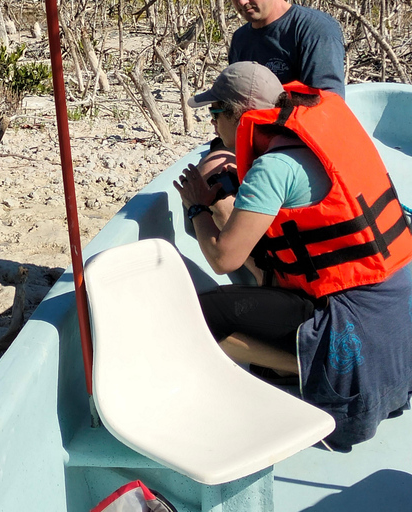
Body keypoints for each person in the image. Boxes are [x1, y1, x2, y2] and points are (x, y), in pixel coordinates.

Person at [174, 61, 412, 448]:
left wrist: (199, 206)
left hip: (353, 323)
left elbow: (223, 259)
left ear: (240, 115)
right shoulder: (324, 136)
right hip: (397, 310)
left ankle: (314, 370)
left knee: (201, 315)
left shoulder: (272, 168)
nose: (213, 128)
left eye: (215, 114)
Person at [199, 0, 346, 183]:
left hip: (296, 143)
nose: (242, 2)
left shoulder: (315, 29)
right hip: (248, 135)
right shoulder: (241, 39)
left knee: (225, 196)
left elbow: (327, 106)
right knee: (207, 176)